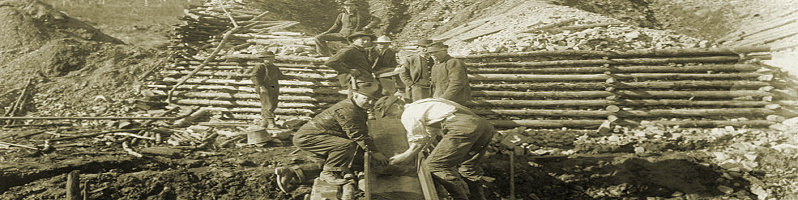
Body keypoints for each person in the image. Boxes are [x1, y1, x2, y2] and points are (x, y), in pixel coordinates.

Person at [274, 83, 389, 193]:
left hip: (322, 136)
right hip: (309, 138)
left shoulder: (357, 108)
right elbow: (357, 134)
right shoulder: (348, 110)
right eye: (366, 99)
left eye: (372, 100)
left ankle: (291, 172)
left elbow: (361, 132)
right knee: (346, 146)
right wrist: (374, 152)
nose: (369, 102)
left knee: (346, 160)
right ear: (355, 95)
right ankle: (328, 173)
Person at [389, 98, 495, 200]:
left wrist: (403, 157)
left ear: (396, 106)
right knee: (468, 168)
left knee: (434, 166)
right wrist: (421, 149)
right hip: (483, 125)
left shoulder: (408, 114)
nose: (392, 117)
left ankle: (460, 198)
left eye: (390, 113)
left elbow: (419, 140)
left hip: (462, 126)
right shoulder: (422, 104)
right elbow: (430, 134)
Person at [314, 0, 381, 56]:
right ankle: (324, 54)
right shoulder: (341, 15)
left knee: (355, 50)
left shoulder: (361, 14)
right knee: (319, 37)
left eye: (351, 5)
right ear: (344, 7)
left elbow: (377, 20)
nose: (349, 7)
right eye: (347, 5)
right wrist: (326, 33)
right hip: (342, 35)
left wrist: (366, 27)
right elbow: (335, 26)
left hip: (355, 36)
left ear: (355, 6)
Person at [250, 51, 282, 128]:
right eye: (268, 58)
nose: (271, 60)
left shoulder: (274, 67)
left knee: (274, 105)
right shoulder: (260, 66)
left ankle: (264, 122)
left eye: (272, 58)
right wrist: (260, 86)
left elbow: (280, 76)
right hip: (264, 88)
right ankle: (271, 123)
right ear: (264, 59)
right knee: (268, 105)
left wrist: (295, 77)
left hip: (274, 88)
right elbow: (254, 76)